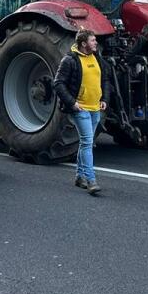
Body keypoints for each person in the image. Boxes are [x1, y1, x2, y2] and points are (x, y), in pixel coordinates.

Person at [54, 29, 111, 196]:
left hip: (95, 108)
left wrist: (104, 99)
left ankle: (79, 176)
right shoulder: (70, 60)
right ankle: (91, 180)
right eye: (93, 41)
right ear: (84, 43)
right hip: (81, 109)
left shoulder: (97, 58)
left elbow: (105, 80)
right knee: (87, 142)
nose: (96, 43)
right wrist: (72, 103)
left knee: (86, 142)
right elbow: (58, 83)